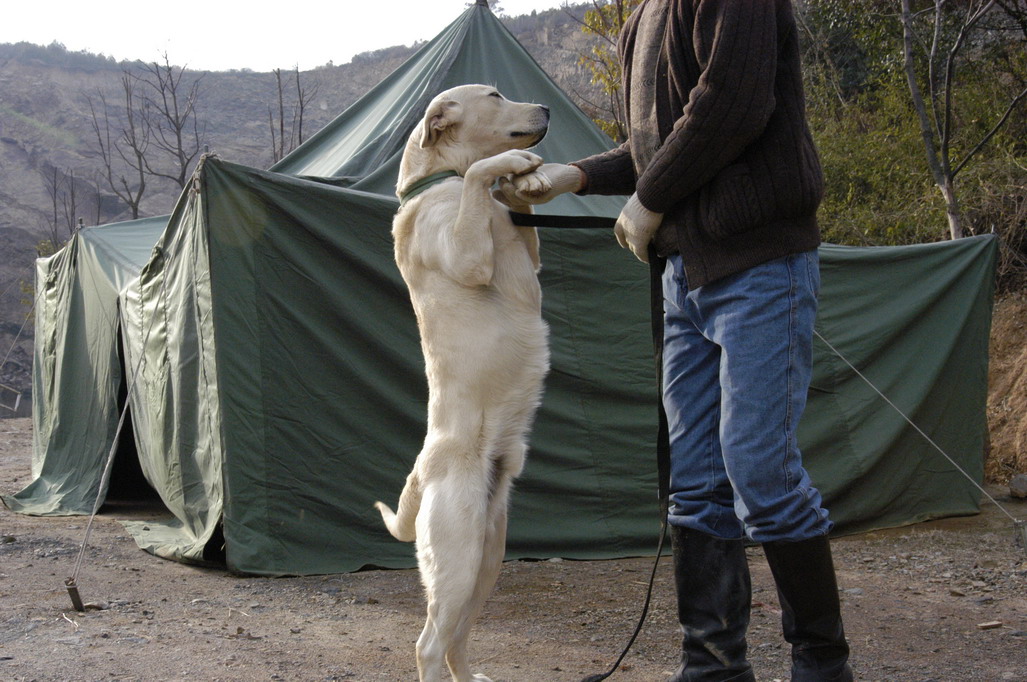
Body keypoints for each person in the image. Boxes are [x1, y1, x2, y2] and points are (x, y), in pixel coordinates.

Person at [505, 1, 854, 680]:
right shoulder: (642, 18)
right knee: (694, 485)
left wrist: (648, 200)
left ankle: (821, 664)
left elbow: (733, 103)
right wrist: (572, 177)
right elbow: (655, 148)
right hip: (680, 275)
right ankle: (713, 666)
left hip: (759, 265)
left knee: (761, 473)